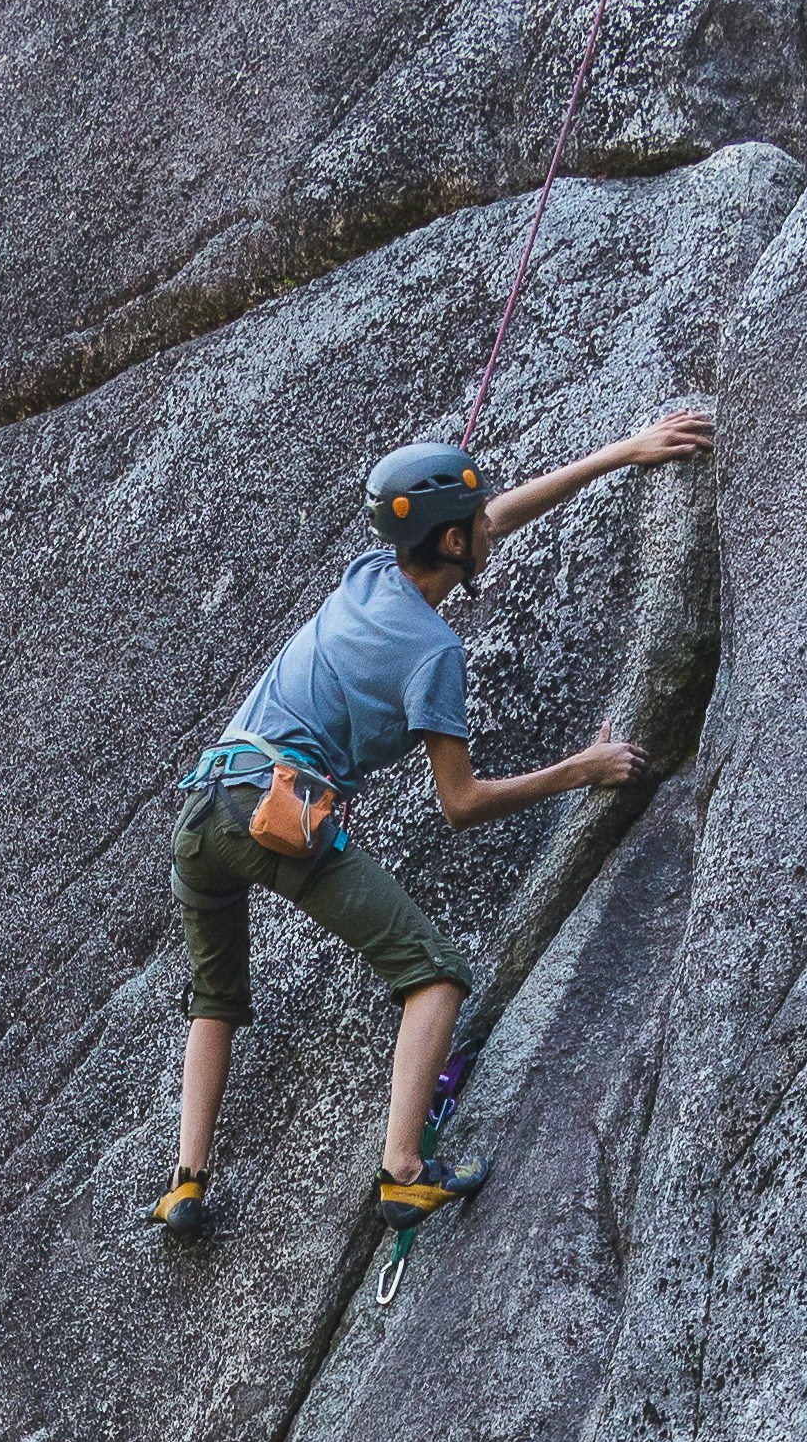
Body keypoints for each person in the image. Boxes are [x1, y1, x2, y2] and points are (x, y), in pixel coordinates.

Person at [157, 414, 717, 1247]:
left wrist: (619, 453)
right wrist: (582, 768)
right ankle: (404, 1175)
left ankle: (186, 1186)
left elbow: (488, 519)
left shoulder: (367, 575)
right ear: (450, 543)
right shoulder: (433, 652)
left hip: (202, 810)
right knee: (435, 973)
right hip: (269, 814)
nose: (488, 522)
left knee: (216, 996)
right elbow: (461, 803)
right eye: (472, 522)